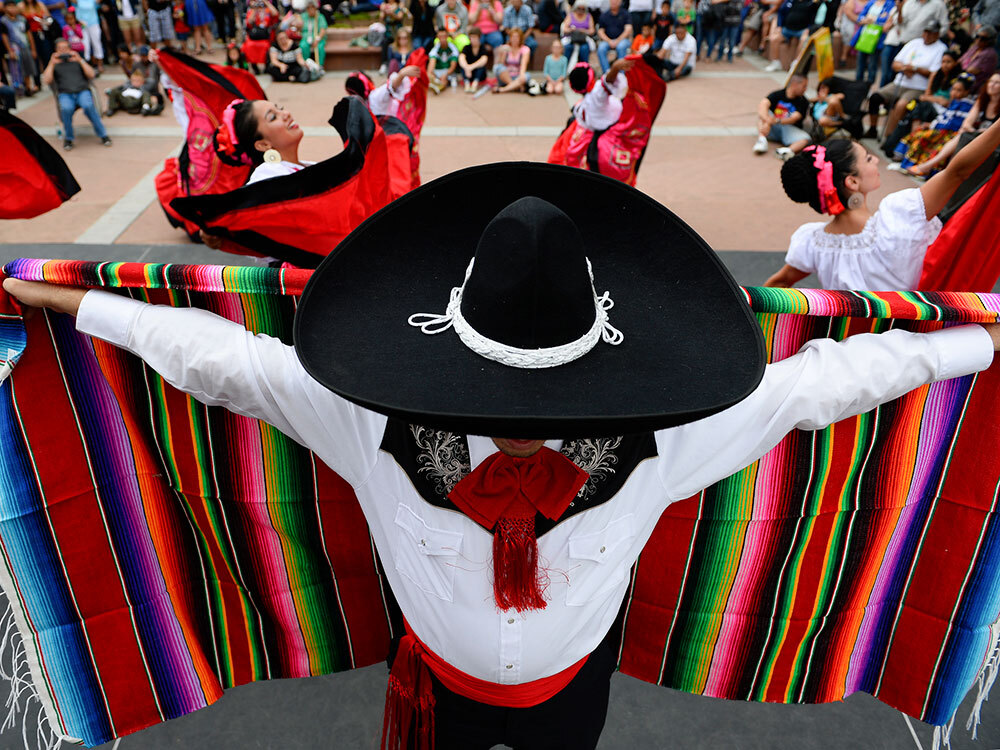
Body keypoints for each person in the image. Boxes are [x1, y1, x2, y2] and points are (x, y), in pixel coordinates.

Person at [8, 162, 1000, 750]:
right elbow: (216, 359)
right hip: (431, 689)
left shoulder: (671, 432)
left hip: (573, 691)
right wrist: (66, 301)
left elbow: (830, 382)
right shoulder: (364, 416)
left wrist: (982, 340)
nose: (527, 426)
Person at [763, 117, 1000, 291]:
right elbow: (957, 172)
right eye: (867, 158)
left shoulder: (812, 242)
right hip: (911, 346)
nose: (875, 158)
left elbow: (778, 283)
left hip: (846, 350)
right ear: (852, 181)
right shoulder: (898, 216)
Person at [864, 19, 946, 138]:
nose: (927, 35)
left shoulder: (940, 48)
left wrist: (916, 69)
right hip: (901, 82)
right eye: (926, 32)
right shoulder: (914, 43)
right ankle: (872, 129)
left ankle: (891, 136)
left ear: (937, 34)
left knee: (901, 104)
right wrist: (904, 68)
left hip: (919, 87)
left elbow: (934, 73)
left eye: (931, 33)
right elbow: (895, 63)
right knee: (875, 97)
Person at [909, 70, 1000, 174]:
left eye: (997, 83)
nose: (992, 85)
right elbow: (967, 123)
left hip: (991, 141)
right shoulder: (982, 100)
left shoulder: (968, 103)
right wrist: (976, 131)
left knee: (961, 135)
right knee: (962, 133)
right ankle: (942, 171)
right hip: (975, 134)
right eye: (991, 81)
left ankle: (931, 167)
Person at [880, 44, 960, 154]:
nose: (945, 65)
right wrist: (937, 99)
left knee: (919, 109)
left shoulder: (956, 80)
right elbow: (924, 97)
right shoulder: (936, 74)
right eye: (943, 62)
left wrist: (934, 99)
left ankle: (910, 144)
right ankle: (898, 143)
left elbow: (948, 103)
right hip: (929, 107)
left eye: (948, 62)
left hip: (943, 112)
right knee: (915, 109)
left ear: (955, 63)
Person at [890, 70, 975, 169]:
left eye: (958, 90)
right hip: (942, 129)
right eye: (953, 89)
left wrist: (933, 125)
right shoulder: (955, 102)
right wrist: (931, 124)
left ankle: (919, 166)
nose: (954, 93)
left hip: (950, 132)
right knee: (919, 131)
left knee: (925, 137)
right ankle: (906, 160)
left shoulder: (966, 105)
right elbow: (944, 116)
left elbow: (953, 123)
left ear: (967, 91)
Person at [41, 36, 111, 149]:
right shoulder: (55, 64)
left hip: (82, 91)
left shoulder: (77, 61)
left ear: (70, 48)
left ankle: (103, 135)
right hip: (65, 94)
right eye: (60, 49)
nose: (63, 51)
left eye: (65, 48)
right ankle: (68, 138)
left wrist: (80, 60)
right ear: (56, 50)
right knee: (66, 109)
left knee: (88, 105)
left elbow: (92, 74)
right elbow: (46, 80)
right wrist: (51, 62)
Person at [880, 0, 949, 91]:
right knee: (889, 74)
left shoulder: (938, 4)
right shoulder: (910, 3)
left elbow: (944, 26)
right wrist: (899, 9)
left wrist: (932, 39)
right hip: (906, 44)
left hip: (928, 47)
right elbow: (899, 22)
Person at [753, 73, 811, 159]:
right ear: (794, 84)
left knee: (805, 139)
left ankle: (786, 152)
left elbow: (794, 118)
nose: (805, 89)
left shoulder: (803, 101)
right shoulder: (778, 94)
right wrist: (768, 120)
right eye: (804, 86)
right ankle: (762, 140)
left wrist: (776, 121)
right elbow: (763, 104)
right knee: (764, 114)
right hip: (771, 127)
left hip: (789, 129)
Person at [763, 0, 816, 72]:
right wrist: (779, 26)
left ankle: (795, 64)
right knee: (774, 38)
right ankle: (775, 63)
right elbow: (781, 12)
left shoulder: (811, 3)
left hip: (802, 30)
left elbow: (814, 17)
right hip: (787, 29)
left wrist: (809, 29)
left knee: (804, 39)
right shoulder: (790, 1)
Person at [849, 0, 894, 82]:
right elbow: (861, 16)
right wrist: (866, 19)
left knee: (872, 65)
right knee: (860, 64)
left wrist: (872, 19)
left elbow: (887, 19)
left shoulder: (890, 4)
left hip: (877, 39)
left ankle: (869, 86)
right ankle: (857, 85)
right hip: (864, 37)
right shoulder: (871, 2)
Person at [2, 0, 39, 94]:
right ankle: (19, 89)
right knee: (16, 69)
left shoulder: (22, 19)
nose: (12, 9)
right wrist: (10, 51)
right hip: (14, 48)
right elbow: (4, 37)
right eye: (9, 7)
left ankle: (28, 87)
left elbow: (29, 34)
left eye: (13, 6)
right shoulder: (3, 21)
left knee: (28, 67)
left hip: (25, 46)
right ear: (5, 8)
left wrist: (33, 49)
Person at [959, 25, 999, 93]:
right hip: (961, 82)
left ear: (990, 40)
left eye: (983, 38)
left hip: (974, 88)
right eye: (977, 37)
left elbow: (970, 70)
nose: (979, 40)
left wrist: (959, 67)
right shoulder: (975, 48)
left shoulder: (990, 54)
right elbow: (960, 60)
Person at [596, 0, 632, 73]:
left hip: (623, 40)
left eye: (616, 0)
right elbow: (600, 31)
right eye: (612, 0)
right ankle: (607, 73)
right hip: (608, 40)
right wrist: (609, 41)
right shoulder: (604, 15)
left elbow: (628, 29)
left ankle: (621, 74)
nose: (613, 2)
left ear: (620, 2)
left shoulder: (625, 14)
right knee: (601, 48)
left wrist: (618, 40)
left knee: (621, 47)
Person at [492, 25, 529, 92]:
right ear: (510, 38)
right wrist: (501, 53)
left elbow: (523, 66)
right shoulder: (506, 47)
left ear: (520, 38)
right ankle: (515, 86)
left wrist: (521, 76)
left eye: (517, 37)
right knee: (498, 68)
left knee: (526, 76)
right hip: (506, 76)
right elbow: (501, 64)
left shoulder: (525, 49)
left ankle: (502, 89)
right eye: (513, 37)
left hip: (518, 76)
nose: (514, 39)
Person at [378, 0, 410, 73]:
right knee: (385, 43)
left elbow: (400, 17)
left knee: (400, 42)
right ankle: (385, 64)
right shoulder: (384, 5)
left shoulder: (400, 4)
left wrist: (392, 14)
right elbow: (381, 18)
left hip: (398, 32)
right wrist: (384, 12)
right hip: (389, 33)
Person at [560, 0, 595, 65]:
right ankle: (564, 68)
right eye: (579, 8)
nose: (581, 10)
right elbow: (564, 29)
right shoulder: (570, 15)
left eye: (583, 9)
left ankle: (584, 67)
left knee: (584, 49)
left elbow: (592, 31)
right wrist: (572, 29)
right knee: (568, 48)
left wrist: (583, 30)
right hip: (571, 39)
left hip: (583, 39)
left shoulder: (588, 16)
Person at [427, 26, 458, 92]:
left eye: (444, 36)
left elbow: (453, 66)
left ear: (447, 36)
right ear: (437, 37)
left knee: (444, 79)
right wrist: (430, 75)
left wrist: (445, 74)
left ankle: (439, 86)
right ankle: (437, 85)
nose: (442, 38)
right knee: (429, 75)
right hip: (437, 71)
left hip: (448, 71)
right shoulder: (435, 50)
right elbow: (431, 65)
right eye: (440, 36)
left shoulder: (453, 48)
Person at [72, 0, 101, 69]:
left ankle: (100, 64)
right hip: (82, 26)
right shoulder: (76, 1)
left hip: (94, 24)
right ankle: (87, 65)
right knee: (85, 45)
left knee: (96, 44)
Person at [458, 26, 488, 91]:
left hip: (478, 74)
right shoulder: (466, 47)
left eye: (475, 37)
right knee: (463, 67)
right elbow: (461, 58)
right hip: (468, 73)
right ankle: (467, 84)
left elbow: (484, 60)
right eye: (471, 37)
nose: (473, 39)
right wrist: (466, 67)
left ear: (479, 37)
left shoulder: (482, 48)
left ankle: (475, 84)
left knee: (481, 67)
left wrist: (470, 67)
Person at [300, 0, 326, 67]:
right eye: (308, 8)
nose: (310, 9)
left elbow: (323, 29)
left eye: (312, 7)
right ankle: (306, 65)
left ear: (315, 8)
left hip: (317, 38)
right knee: (303, 46)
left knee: (320, 47)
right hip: (306, 38)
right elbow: (299, 27)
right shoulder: (303, 16)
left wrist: (317, 39)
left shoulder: (320, 17)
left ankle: (320, 65)